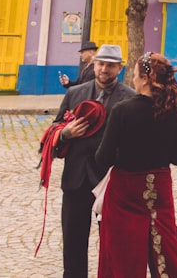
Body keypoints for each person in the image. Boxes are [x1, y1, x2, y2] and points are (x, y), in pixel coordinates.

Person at [95, 52, 177, 277]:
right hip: (158, 190)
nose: (132, 79)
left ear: (145, 78)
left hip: (125, 191)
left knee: (122, 253)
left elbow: (102, 159)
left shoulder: (123, 110)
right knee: (166, 247)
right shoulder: (176, 111)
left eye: (134, 74)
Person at [49, 44, 134, 278]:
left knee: (112, 243)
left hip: (109, 182)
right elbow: (54, 129)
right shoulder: (74, 94)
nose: (104, 69)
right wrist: (66, 134)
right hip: (75, 179)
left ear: (119, 68)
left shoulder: (130, 99)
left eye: (110, 65)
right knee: (73, 241)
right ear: (94, 64)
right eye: (100, 63)